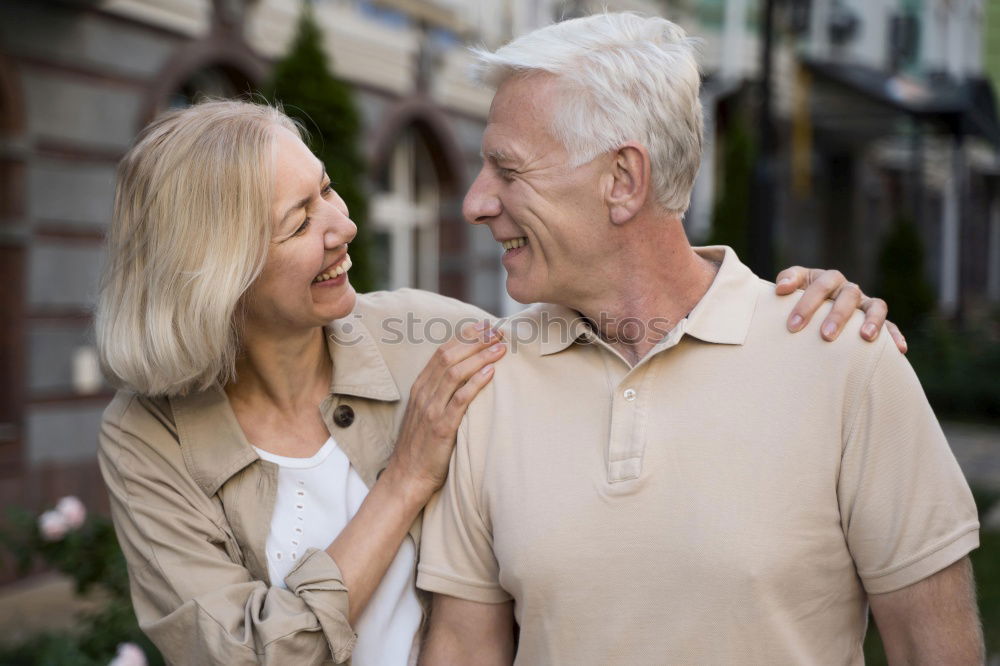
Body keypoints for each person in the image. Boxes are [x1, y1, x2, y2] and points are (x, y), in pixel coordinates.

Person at [96, 100, 894, 664]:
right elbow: (243, 655)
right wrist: (404, 479)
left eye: (329, 189)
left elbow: (620, 327)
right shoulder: (148, 438)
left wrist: (796, 318)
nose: (345, 226)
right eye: (301, 222)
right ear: (216, 273)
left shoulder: (429, 335)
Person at [417, 13, 983, 665]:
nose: (476, 203)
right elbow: (463, 647)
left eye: (508, 171)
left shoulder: (843, 360)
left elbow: (935, 650)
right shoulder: (490, 380)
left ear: (622, 180)